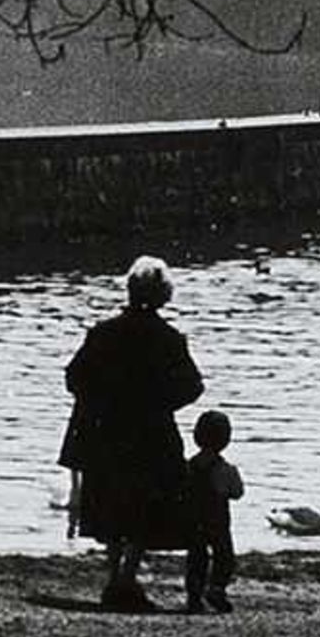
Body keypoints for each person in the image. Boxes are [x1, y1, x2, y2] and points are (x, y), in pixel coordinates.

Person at [63, 255, 205, 612]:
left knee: (110, 502)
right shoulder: (170, 339)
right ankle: (126, 576)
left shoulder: (102, 333)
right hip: (151, 433)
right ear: (164, 295)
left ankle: (115, 576)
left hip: (106, 433)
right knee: (145, 506)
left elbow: (74, 378)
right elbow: (192, 387)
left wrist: (101, 402)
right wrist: (159, 404)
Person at [184, 409, 245, 614]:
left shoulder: (189, 466)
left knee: (196, 557)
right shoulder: (226, 469)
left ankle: (194, 595)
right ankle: (217, 588)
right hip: (218, 521)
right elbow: (237, 492)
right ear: (226, 440)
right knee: (224, 557)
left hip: (193, 519)